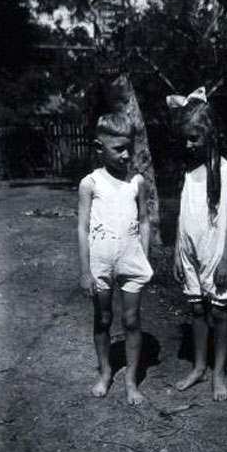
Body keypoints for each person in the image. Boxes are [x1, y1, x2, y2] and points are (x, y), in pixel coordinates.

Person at [167, 87, 227, 402]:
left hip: (216, 252)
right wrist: (176, 252)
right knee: (196, 309)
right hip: (190, 252)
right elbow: (184, 214)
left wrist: (226, 260)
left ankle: (218, 371)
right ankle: (198, 367)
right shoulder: (187, 170)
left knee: (220, 313)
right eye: (185, 137)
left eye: (194, 137)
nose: (188, 144)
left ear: (210, 134)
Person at [78, 113, 153, 404]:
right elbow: (82, 228)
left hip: (130, 259)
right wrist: (85, 270)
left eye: (128, 148)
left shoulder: (137, 182)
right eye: (118, 149)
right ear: (99, 148)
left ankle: (132, 380)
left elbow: (145, 221)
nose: (125, 155)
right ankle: (106, 371)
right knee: (104, 317)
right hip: (100, 261)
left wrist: (144, 258)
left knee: (131, 319)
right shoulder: (90, 183)